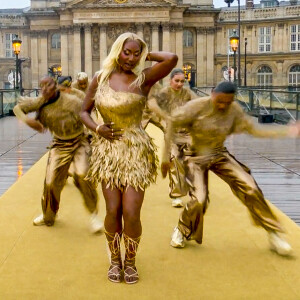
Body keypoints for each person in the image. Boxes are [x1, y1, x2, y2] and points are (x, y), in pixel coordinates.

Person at [81, 32, 177, 284]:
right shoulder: (99, 79)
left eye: (137, 54)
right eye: (127, 52)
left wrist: (146, 54)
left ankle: (131, 261)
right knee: (113, 209)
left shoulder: (143, 80)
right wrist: (97, 128)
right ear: (117, 51)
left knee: (132, 212)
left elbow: (171, 58)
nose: (132, 58)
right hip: (108, 152)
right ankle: (115, 260)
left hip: (136, 152)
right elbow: (84, 111)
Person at [162, 81, 300, 256]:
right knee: (199, 199)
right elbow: (172, 123)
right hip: (195, 156)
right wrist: (166, 157)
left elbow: (255, 130)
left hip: (219, 154)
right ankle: (182, 229)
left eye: (227, 103)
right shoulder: (196, 107)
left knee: (250, 187)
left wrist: (287, 132)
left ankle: (274, 233)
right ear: (213, 95)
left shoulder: (234, 110)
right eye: (219, 101)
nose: (222, 106)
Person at [13, 76, 103, 234]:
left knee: (82, 176)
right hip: (60, 144)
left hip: (79, 141)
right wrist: (28, 121)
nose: (45, 89)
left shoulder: (72, 101)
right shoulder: (40, 102)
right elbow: (17, 109)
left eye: (48, 85)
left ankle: (93, 215)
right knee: (50, 182)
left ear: (55, 87)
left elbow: (86, 115)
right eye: (42, 86)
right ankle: (49, 215)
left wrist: (94, 133)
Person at [150, 68, 198, 208]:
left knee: (190, 162)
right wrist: (164, 118)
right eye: (176, 81)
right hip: (172, 134)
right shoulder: (164, 93)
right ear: (170, 80)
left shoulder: (187, 93)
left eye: (182, 81)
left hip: (187, 133)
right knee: (176, 161)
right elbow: (151, 105)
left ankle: (193, 191)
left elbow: (198, 105)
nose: (179, 84)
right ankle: (176, 195)